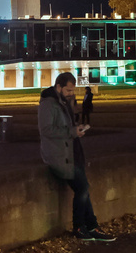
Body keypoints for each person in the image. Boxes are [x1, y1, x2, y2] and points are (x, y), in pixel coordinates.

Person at [37, 72, 114, 242]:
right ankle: (80, 227)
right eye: (68, 90)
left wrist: (76, 128)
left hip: (71, 153)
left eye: (73, 90)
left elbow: (65, 125)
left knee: (84, 189)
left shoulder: (62, 102)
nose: (72, 93)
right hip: (59, 156)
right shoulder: (48, 104)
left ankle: (91, 226)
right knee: (82, 188)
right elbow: (46, 130)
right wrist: (72, 132)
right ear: (58, 87)